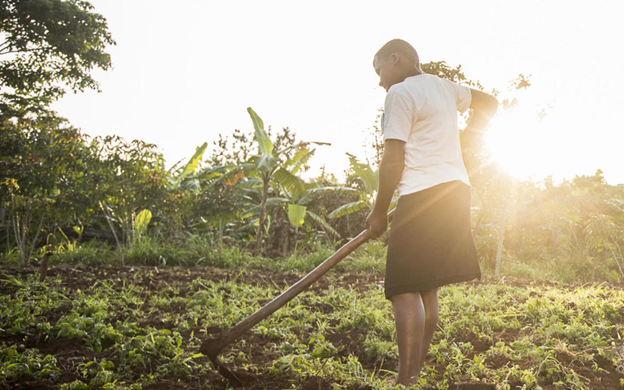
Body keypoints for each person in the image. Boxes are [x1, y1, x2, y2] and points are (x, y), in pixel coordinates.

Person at [365, 39, 498, 386]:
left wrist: (378, 211)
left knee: (403, 288)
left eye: (380, 71)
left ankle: (405, 382)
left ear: (394, 59)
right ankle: (412, 376)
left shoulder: (400, 93)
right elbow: (489, 103)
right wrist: (468, 137)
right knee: (425, 287)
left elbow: (393, 159)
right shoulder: (443, 87)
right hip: (456, 193)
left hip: (423, 194)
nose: (380, 81)